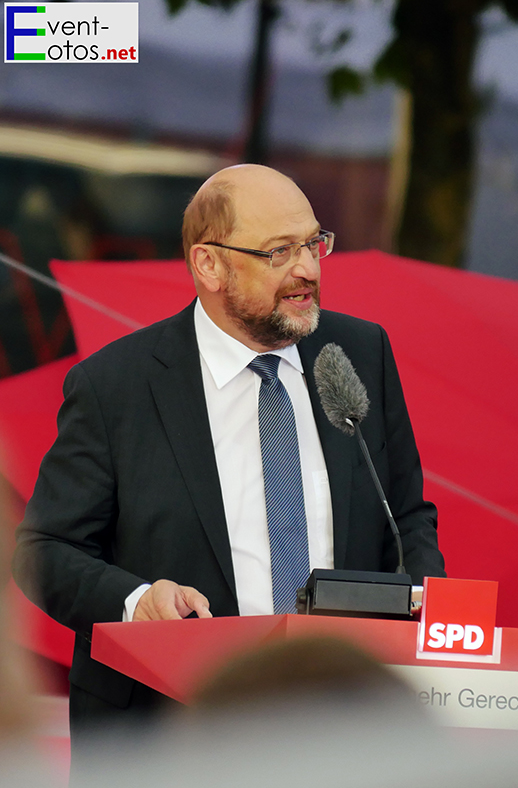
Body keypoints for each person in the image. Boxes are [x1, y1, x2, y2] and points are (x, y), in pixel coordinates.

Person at [12, 164, 445, 742]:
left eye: (314, 243)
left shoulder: (360, 352)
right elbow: (44, 549)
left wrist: (428, 622)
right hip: (173, 730)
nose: (307, 270)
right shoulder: (116, 386)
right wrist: (136, 600)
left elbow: (407, 516)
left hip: (343, 724)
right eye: (278, 252)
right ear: (208, 264)